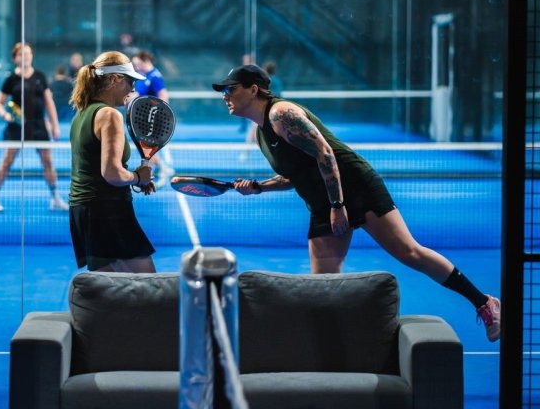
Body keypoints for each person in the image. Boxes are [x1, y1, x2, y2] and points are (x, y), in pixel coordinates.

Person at [212, 64, 501, 342]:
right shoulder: (262, 133)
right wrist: (259, 187)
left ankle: (484, 302)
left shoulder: (281, 114)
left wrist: (338, 205)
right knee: (323, 284)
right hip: (323, 201)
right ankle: (335, 346)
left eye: (230, 89)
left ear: (253, 89)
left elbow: (326, 154)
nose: (225, 96)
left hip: (355, 187)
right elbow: (295, 174)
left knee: (409, 252)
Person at [67, 51, 157, 272]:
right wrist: (138, 177)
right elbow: (112, 173)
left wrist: (135, 179)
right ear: (114, 79)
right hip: (107, 211)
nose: (132, 89)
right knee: (150, 286)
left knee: (108, 289)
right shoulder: (109, 115)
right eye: (130, 81)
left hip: (82, 211)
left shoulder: (81, 114)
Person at [0, 42, 67, 213]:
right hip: (16, 128)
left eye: (28, 53)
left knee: (48, 162)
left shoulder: (40, 76)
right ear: (14, 58)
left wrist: (55, 126)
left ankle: (55, 198)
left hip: (39, 127)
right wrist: (5, 115)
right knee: (7, 162)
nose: (25, 57)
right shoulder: (11, 80)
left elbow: (49, 103)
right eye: (21, 54)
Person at [130, 49, 175, 186]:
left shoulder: (155, 76)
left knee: (147, 148)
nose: (136, 67)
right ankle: (149, 176)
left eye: (137, 64)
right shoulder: (143, 76)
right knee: (146, 149)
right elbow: (137, 94)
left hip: (153, 120)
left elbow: (164, 96)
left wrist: (162, 116)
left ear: (146, 61)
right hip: (143, 120)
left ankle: (163, 169)